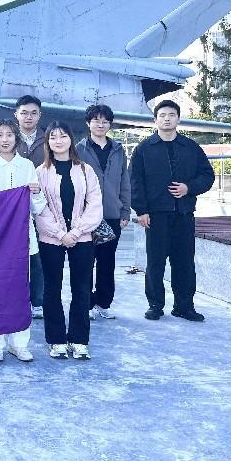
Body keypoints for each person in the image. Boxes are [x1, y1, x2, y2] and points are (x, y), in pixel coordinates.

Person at [130, 100, 214, 322]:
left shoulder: (191, 147)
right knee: (155, 262)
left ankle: (184, 306)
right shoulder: (143, 149)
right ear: (155, 120)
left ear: (178, 118)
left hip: (183, 214)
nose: (167, 118)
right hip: (156, 215)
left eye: (171, 115)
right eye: (162, 115)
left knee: (184, 262)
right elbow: (135, 181)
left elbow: (207, 175)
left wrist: (189, 188)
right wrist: (141, 210)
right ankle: (155, 305)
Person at [0, 119, 46, 363]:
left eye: (9, 135)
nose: (5, 139)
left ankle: (19, 344)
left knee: (20, 292)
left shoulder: (27, 166)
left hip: (22, 239)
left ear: (16, 138)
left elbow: (37, 207)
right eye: (0, 135)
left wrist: (36, 193)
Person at [35, 121, 103, 360]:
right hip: (51, 239)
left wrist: (76, 232)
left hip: (81, 238)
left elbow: (95, 204)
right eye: (53, 137)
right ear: (47, 142)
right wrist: (60, 234)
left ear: (71, 140)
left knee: (82, 288)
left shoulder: (85, 170)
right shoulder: (40, 172)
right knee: (51, 288)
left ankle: (79, 339)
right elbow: (39, 208)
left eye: (63, 136)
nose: (58, 141)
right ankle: (56, 340)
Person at [75, 104, 131, 321]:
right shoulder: (79, 150)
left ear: (110, 125)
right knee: (86, 261)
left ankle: (103, 303)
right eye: (96, 120)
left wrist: (124, 210)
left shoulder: (117, 149)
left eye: (105, 121)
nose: (101, 124)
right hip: (86, 216)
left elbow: (124, 181)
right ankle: (86, 304)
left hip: (112, 214)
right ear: (88, 123)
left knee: (107, 262)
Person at [14, 95, 46, 320]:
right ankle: (15, 298)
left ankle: (38, 301)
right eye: (24, 112)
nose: (28, 117)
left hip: (42, 205)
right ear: (16, 114)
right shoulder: (8, 136)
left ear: (39, 115)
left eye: (33, 113)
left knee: (39, 257)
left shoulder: (48, 139)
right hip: (14, 209)